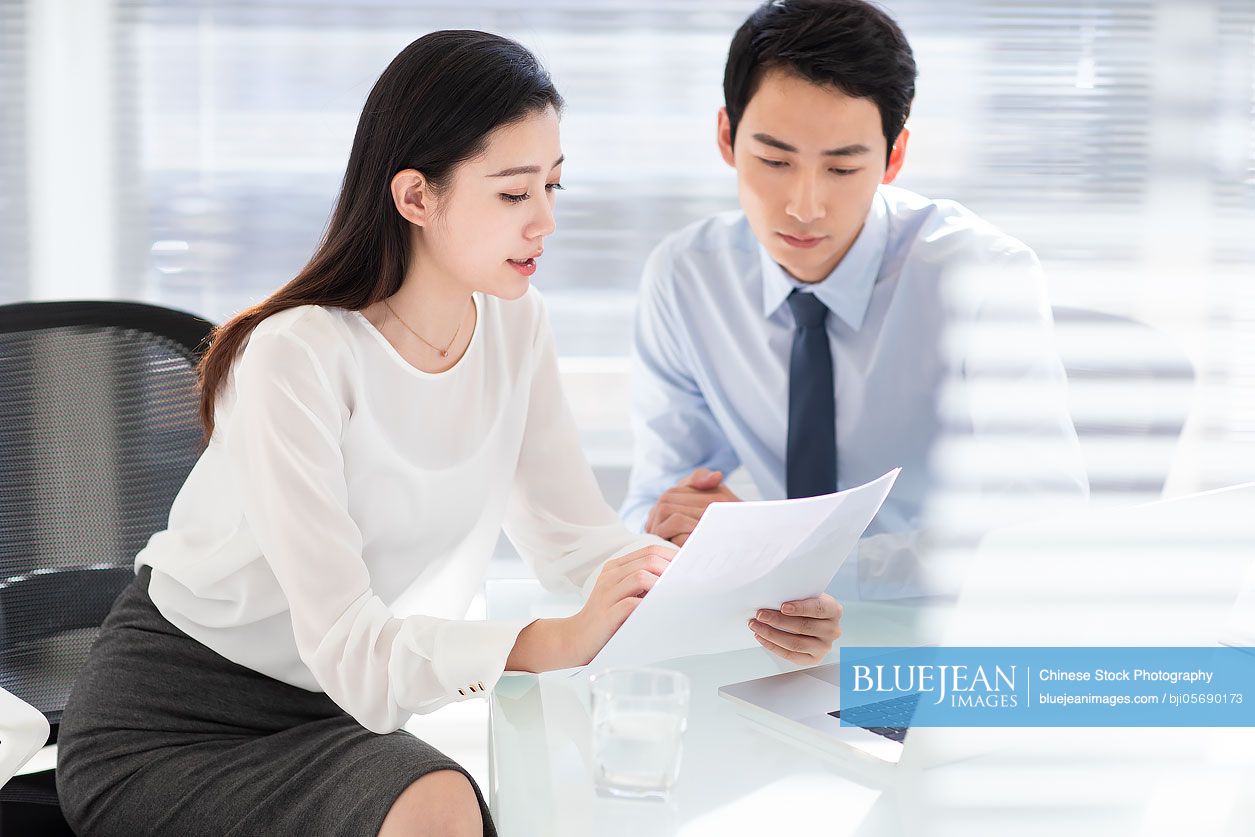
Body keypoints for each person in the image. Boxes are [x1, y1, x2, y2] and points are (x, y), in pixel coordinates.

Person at [54, 30, 843, 837]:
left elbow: (574, 541)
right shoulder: (297, 356)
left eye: (553, 187)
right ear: (415, 197)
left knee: (482, 794)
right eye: (511, 194)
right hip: (176, 724)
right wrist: (553, 640)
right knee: (440, 799)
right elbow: (356, 653)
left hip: (345, 715)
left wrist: (744, 592)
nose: (544, 221)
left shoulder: (514, 324)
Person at [621, 0, 1089, 599]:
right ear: (726, 138)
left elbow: (1042, 523)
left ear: (894, 157)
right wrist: (683, 534)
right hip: (765, 630)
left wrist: (796, 561)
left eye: (842, 169)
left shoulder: (982, 276)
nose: (804, 206)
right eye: (773, 160)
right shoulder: (688, 278)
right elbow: (656, 497)